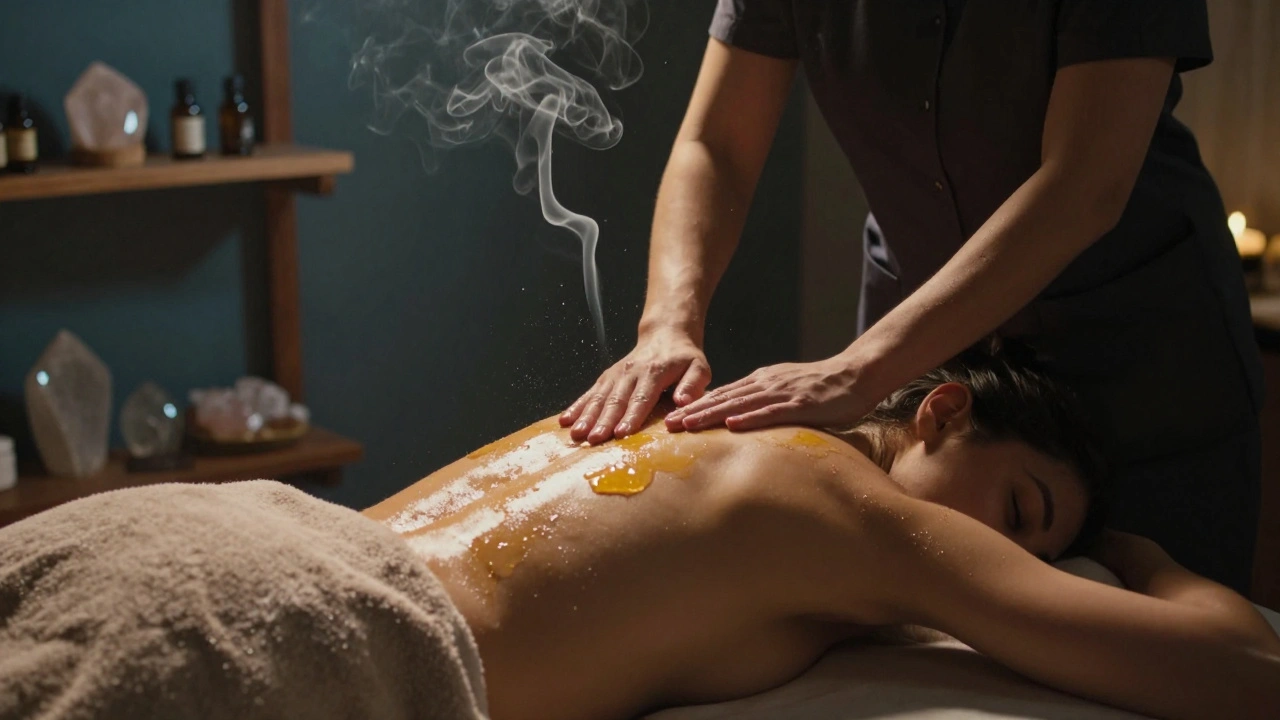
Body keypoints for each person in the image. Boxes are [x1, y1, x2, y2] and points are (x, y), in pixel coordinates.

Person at [560, 0, 1264, 595]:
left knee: (1156, 654)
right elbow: (717, 145)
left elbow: (1084, 183)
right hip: (925, 350)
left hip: (1141, 361)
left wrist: (861, 369)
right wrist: (667, 325)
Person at [362, 342, 1279, 720]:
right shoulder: (856, 513)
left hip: (287, 544)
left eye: (1038, 555)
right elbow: (1244, 671)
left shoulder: (704, 417)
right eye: (1018, 513)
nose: (1012, 558)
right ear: (944, 413)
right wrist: (1142, 559)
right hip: (348, 667)